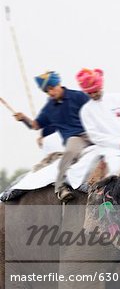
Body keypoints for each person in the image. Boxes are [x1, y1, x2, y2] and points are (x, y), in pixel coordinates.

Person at [14, 71, 90, 201]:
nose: (50, 93)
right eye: (47, 91)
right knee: (70, 153)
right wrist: (24, 118)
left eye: (51, 88)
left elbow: (95, 108)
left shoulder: (78, 96)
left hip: (94, 133)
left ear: (58, 84)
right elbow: (36, 125)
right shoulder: (49, 108)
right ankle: (60, 188)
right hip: (76, 138)